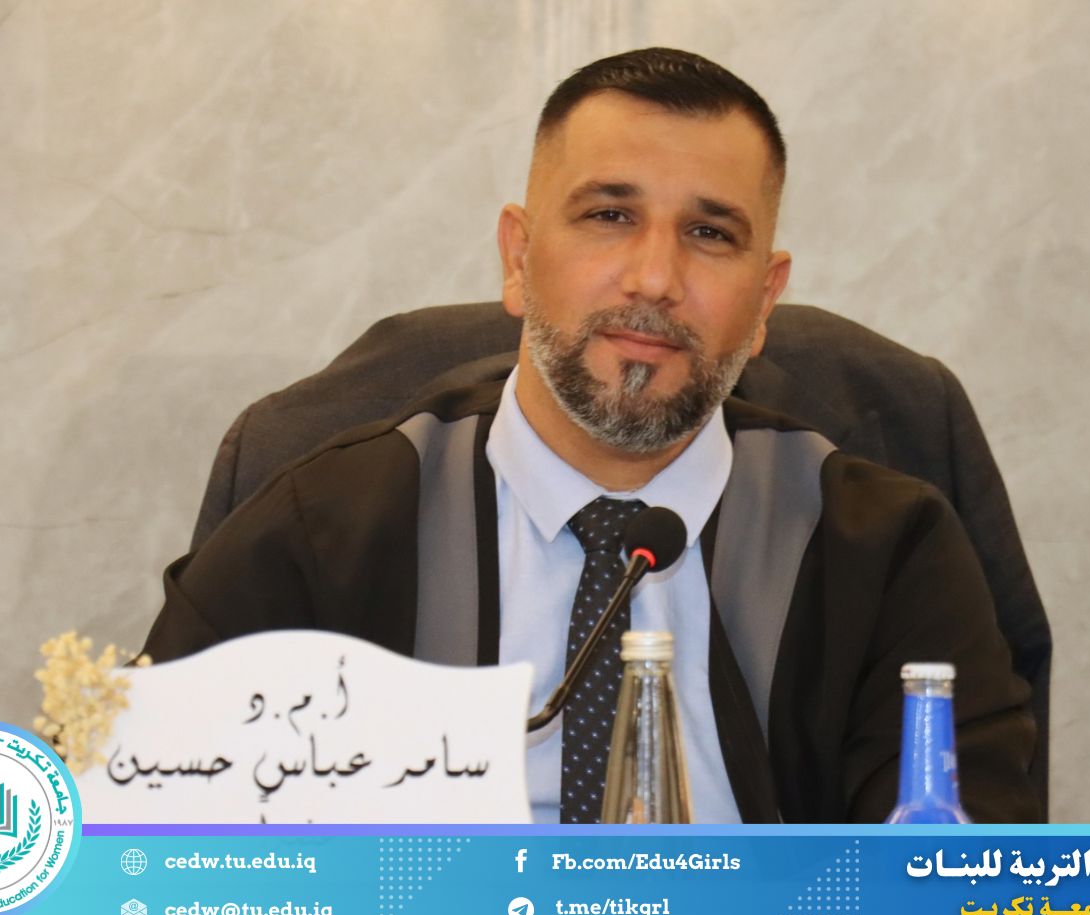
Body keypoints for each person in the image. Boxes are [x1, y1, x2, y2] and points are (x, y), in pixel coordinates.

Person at [143, 48, 1039, 823]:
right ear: (518, 258)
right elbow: (154, 841)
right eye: (610, 215)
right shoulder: (321, 529)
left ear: (765, 300)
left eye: (709, 232)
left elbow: (957, 880)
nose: (654, 277)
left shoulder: (883, 552)